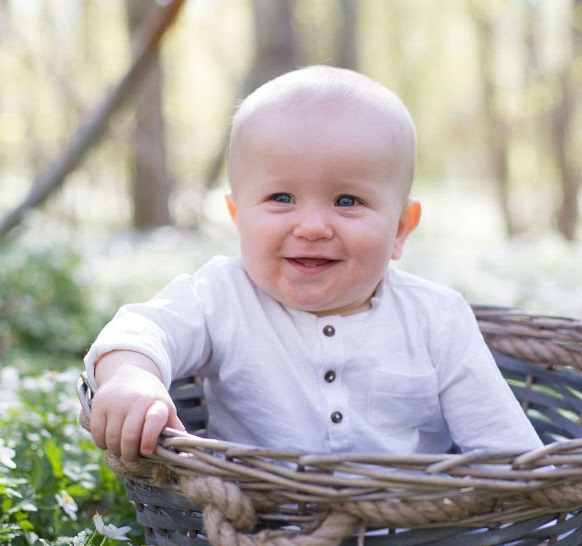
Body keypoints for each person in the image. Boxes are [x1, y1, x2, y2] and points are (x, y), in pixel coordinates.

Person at [84, 65, 542, 460]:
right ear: (238, 217)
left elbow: (506, 450)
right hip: (249, 532)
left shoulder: (437, 320)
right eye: (281, 197)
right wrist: (131, 377)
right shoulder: (219, 297)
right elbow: (142, 330)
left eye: (347, 200)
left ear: (400, 229)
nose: (313, 226)